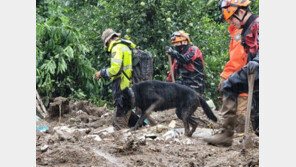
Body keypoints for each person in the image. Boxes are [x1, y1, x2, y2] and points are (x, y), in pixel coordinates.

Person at [204, 0, 259, 146]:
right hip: (254, 68)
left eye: (232, 18)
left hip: (258, 67)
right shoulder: (247, 28)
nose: (231, 22)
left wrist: (258, 59)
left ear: (241, 12)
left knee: (230, 84)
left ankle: (226, 134)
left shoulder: (257, 24)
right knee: (256, 107)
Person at [95, 28, 139, 130]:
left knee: (120, 114)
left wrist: (101, 73)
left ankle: (122, 132)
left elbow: (115, 69)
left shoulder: (116, 48)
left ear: (108, 40)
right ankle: (135, 126)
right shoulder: (126, 47)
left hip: (121, 83)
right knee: (127, 108)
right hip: (129, 82)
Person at [218, 24, 248, 133]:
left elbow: (238, 59)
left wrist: (226, 77)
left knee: (240, 108)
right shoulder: (235, 31)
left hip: (239, 75)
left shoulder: (239, 32)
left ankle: (238, 133)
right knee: (235, 107)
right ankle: (235, 133)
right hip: (236, 74)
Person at [166, 30, 205, 94]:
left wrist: (173, 53)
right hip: (184, 84)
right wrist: (164, 84)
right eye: (174, 43)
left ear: (184, 42)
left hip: (195, 85)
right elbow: (172, 74)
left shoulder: (194, 50)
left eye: (177, 43)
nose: (175, 45)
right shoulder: (177, 57)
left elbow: (185, 60)